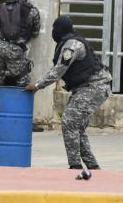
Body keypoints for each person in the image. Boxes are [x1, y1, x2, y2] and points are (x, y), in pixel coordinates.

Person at [24, 16, 112, 170]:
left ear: (60, 29)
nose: (52, 32)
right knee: (76, 125)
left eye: (54, 29)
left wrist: (38, 85)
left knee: (69, 121)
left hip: (95, 86)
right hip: (86, 87)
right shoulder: (67, 43)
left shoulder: (72, 46)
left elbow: (59, 70)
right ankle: (91, 165)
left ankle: (75, 165)